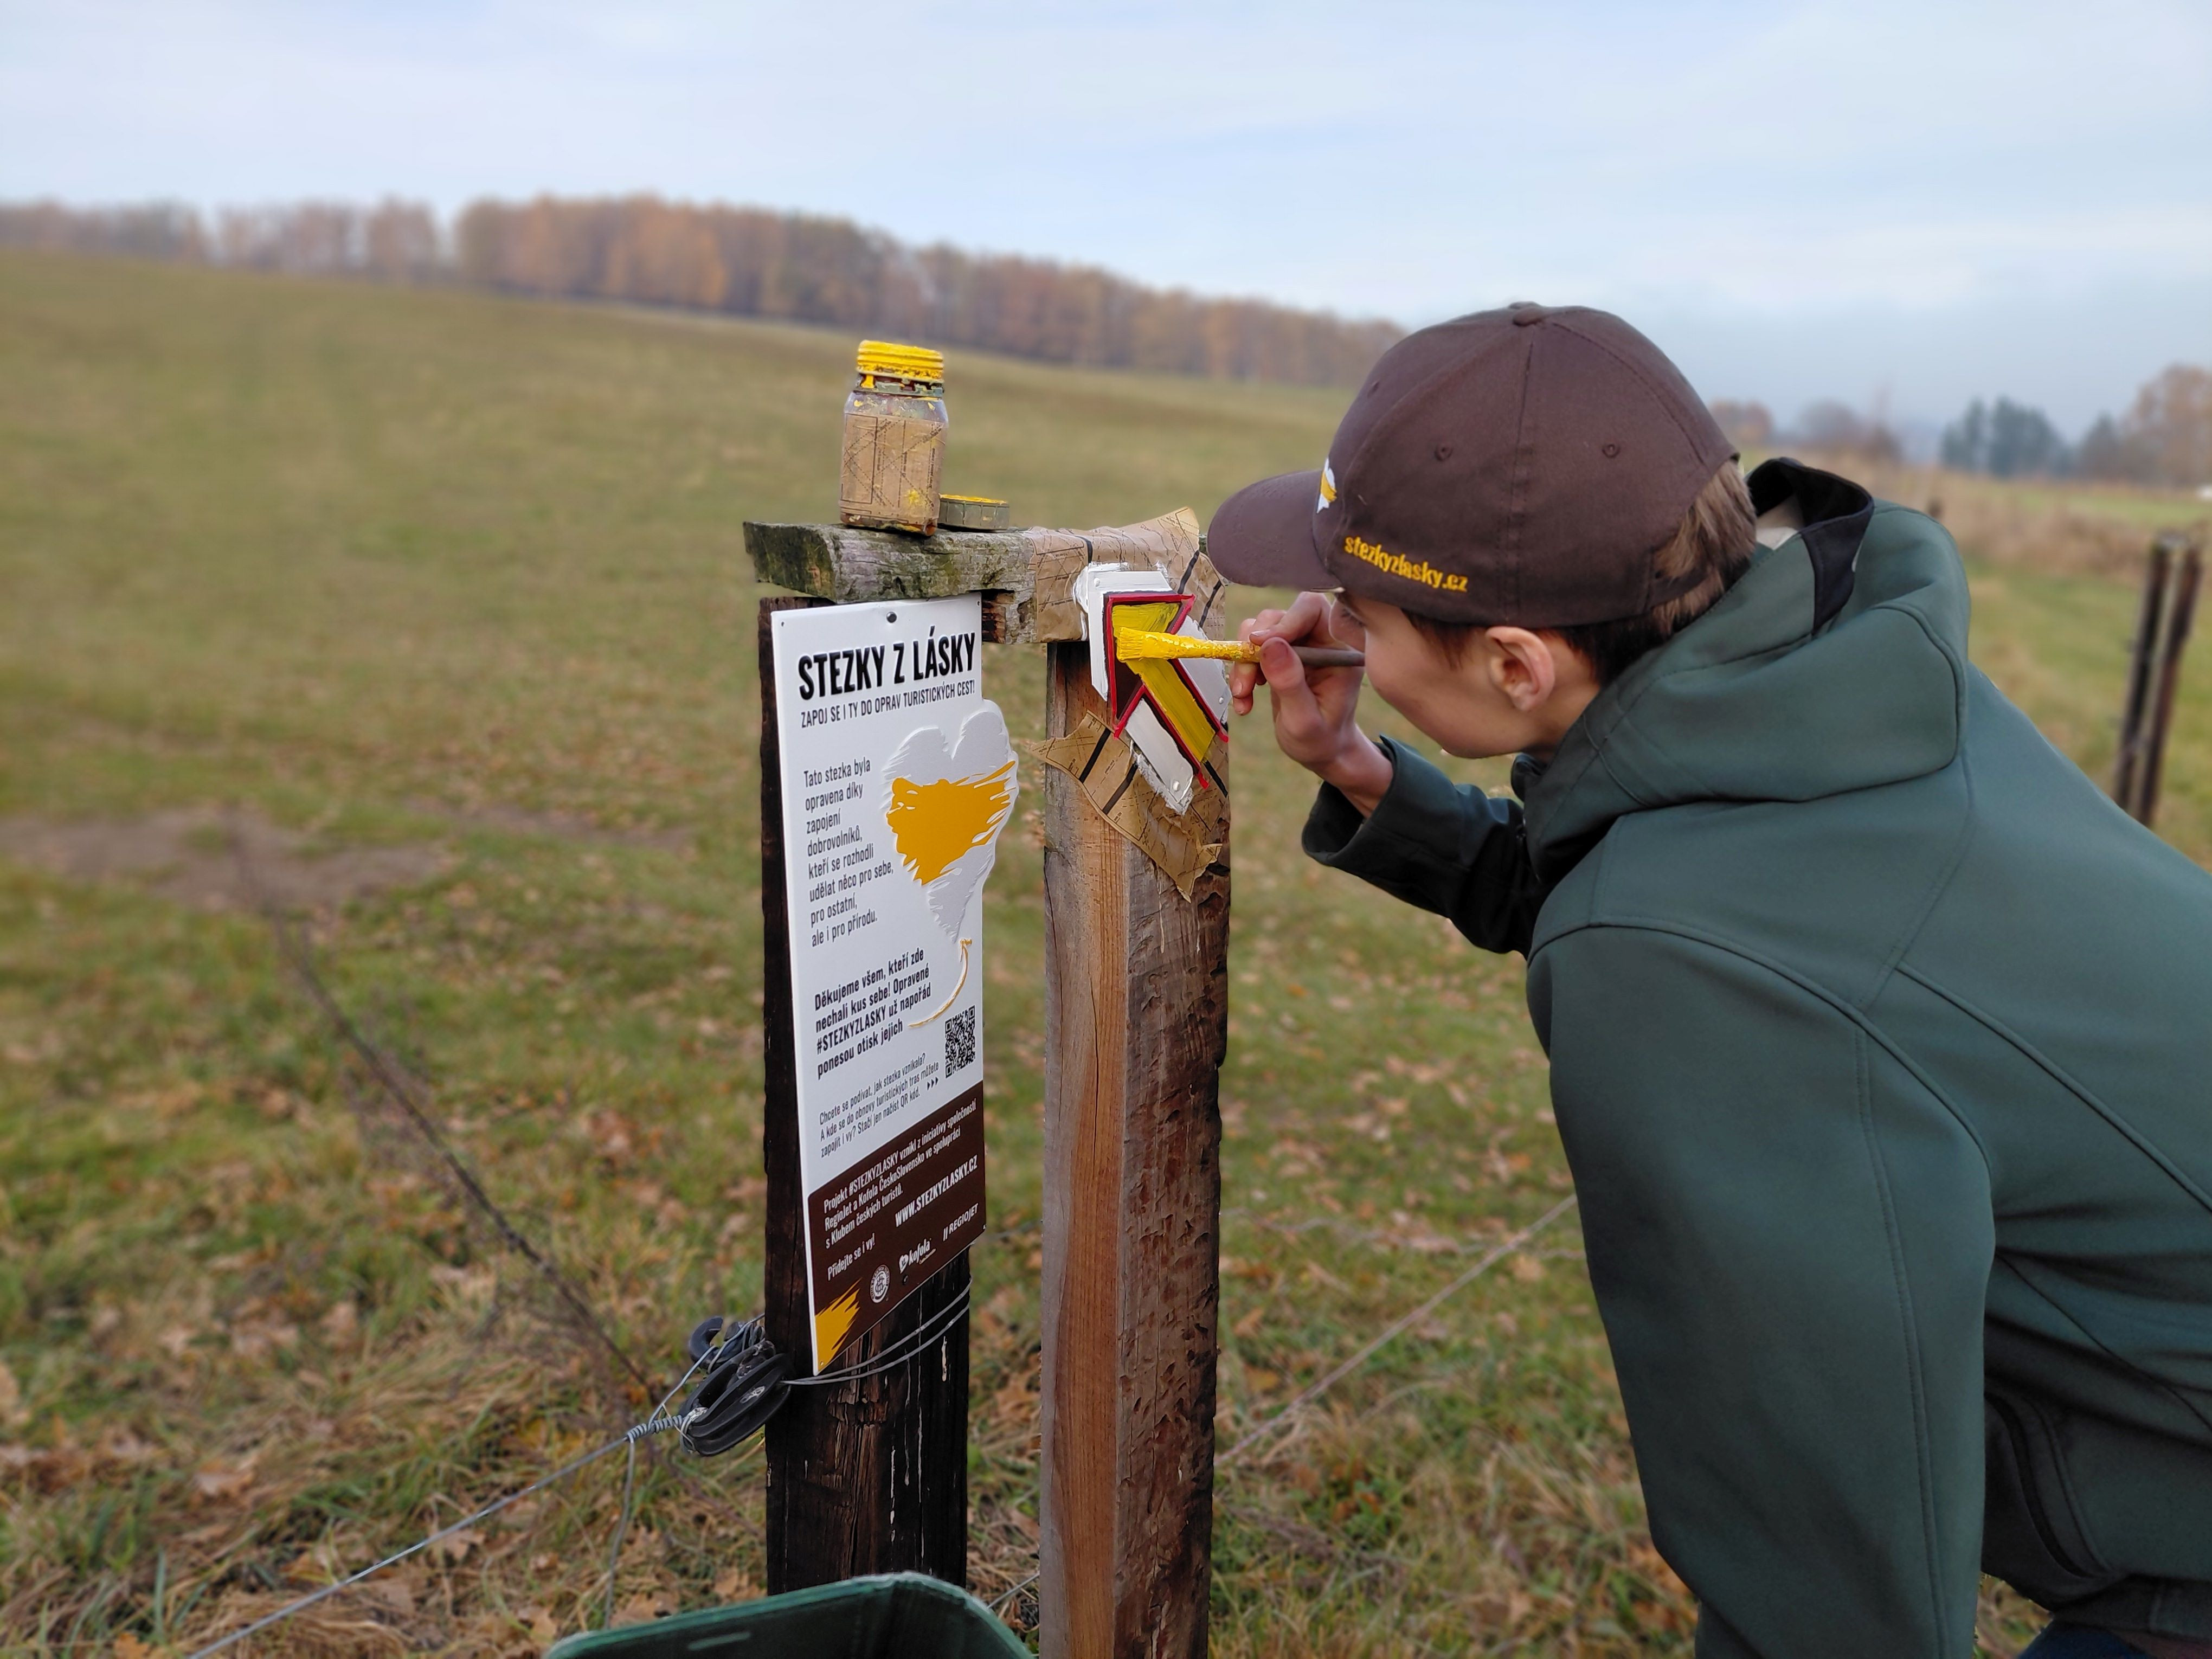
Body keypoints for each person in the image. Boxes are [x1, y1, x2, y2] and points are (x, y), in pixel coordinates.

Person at [1206, 303, 2212, 1659]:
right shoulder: (1836, 682)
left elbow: (1825, 1588)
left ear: (1517, 663)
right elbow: (1692, 887)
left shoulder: (1675, 957)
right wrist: (1369, 774)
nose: (1336, 636)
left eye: (1369, 622)